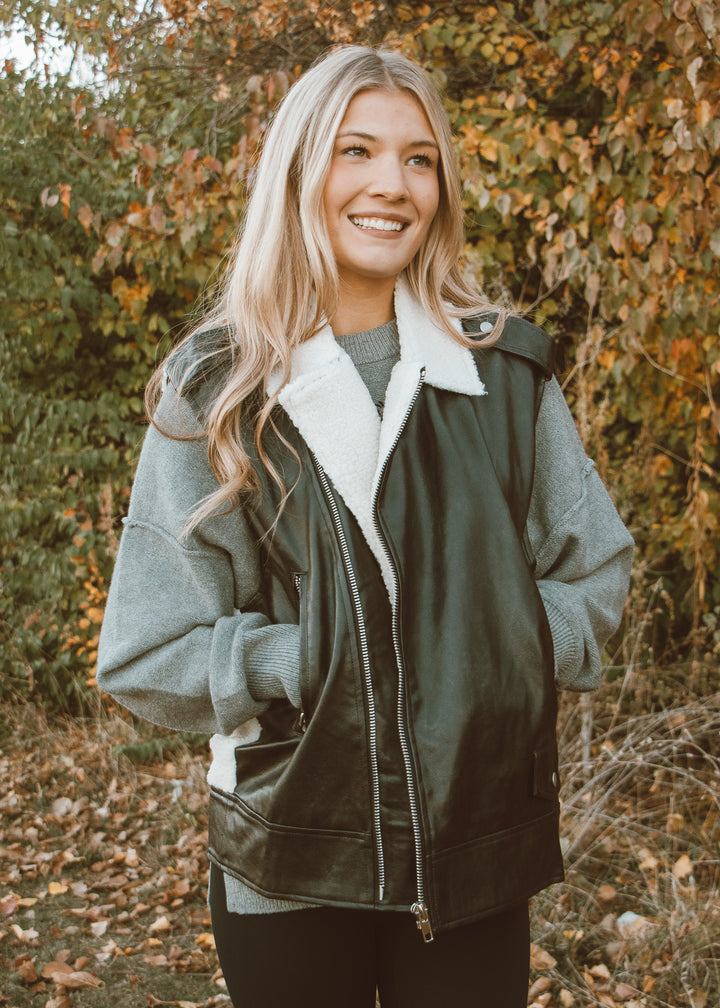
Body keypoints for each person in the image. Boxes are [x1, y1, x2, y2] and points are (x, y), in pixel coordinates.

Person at [97, 45, 634, 1008]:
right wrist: (302, 659)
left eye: (419, 158)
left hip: (474, 848)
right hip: (289, 859)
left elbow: (595, 572)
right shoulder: (219, 389)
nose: (394, 184)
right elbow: (145, 649)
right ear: (301, 169)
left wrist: (499, 644)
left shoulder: (505, 375)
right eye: (357, 150)